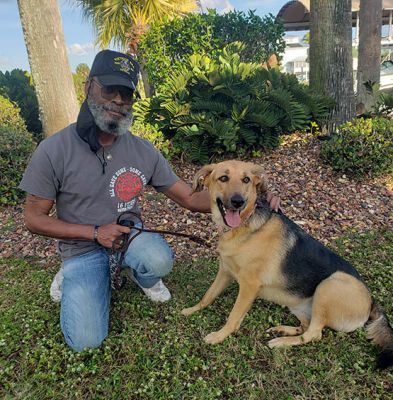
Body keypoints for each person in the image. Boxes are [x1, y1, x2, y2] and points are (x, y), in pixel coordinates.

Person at [19, 49, 280, 352]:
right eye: (109, 90)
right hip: (81, 249)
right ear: (88, 86)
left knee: (159, 260)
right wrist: (93, 233)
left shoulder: (143, 151)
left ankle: (137, 273)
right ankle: (73, 274)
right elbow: (33, 219)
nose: (118, 100)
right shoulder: (53, 150)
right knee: (86, 342)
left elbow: (189, 197)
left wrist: (250, 199)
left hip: (128, 237)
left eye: (126, 94)